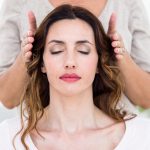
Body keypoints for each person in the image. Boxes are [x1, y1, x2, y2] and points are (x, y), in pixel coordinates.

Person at [0, 5, 150, 150]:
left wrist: (119, 53)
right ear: (42, 63)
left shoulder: (143, 136)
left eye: (83, 51)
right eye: (56, 50)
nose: (70, 62)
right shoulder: (8, 136)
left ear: (99, 62)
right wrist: (25, 54)